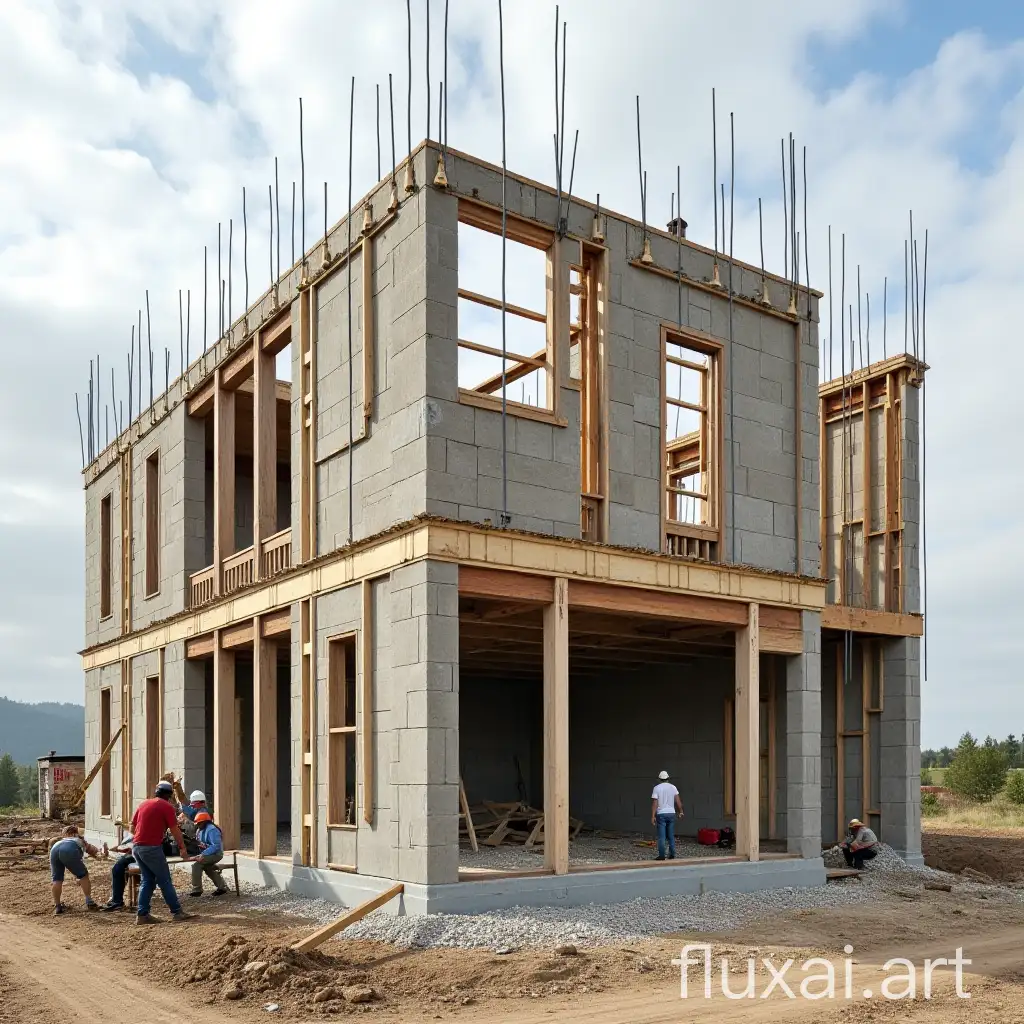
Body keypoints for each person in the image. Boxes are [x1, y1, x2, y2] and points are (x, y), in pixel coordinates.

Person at [130, 779, 195, 924]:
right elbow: (175, 830)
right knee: (164, 880)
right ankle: (177, 912)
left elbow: (132, 827)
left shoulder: (143, 804)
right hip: (151, 848)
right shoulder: (166, 807)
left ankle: (142, 915)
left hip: (137, 847)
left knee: (147, 880)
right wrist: (183, 848)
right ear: (169, 795)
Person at [49, 825, 104, 915]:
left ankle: (58, 905)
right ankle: (89, 902)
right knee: (84, 875)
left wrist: (76, 875)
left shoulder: (61, 840)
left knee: (57, 879)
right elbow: (93, 851)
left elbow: (69, 864)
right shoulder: (79, 840)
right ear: (75, 833)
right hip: (69, 849)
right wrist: (99, 854)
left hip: (55, 849)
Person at [189, 811, 229, 898]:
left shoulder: (212, 830)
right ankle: (222, 887)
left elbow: (216, 846)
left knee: (196, 865)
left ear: (205, 822)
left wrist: (202, 855)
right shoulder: (200, 830)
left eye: (199, 823)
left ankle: (197, 889)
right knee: (208, 868)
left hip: (216, 854)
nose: (198, 825)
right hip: (208, 854)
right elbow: (204, 844)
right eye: (197, 823)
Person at [650, 770, 683, 861]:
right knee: (671, 835)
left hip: (661, 814)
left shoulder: (656, 788)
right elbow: (678, 800)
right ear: (668, 778)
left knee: (662, 836)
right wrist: (680, 811)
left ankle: (661, 855)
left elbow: (655, 803)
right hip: (671, 813)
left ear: (659, 779)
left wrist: (653, 816)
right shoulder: (673, 787)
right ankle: (672, 854)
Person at [99, 831, 135, 912]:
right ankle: (116, 900)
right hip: (137, 848)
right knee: (118, 867)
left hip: (145, 849)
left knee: (118, 868)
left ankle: (117, 901)